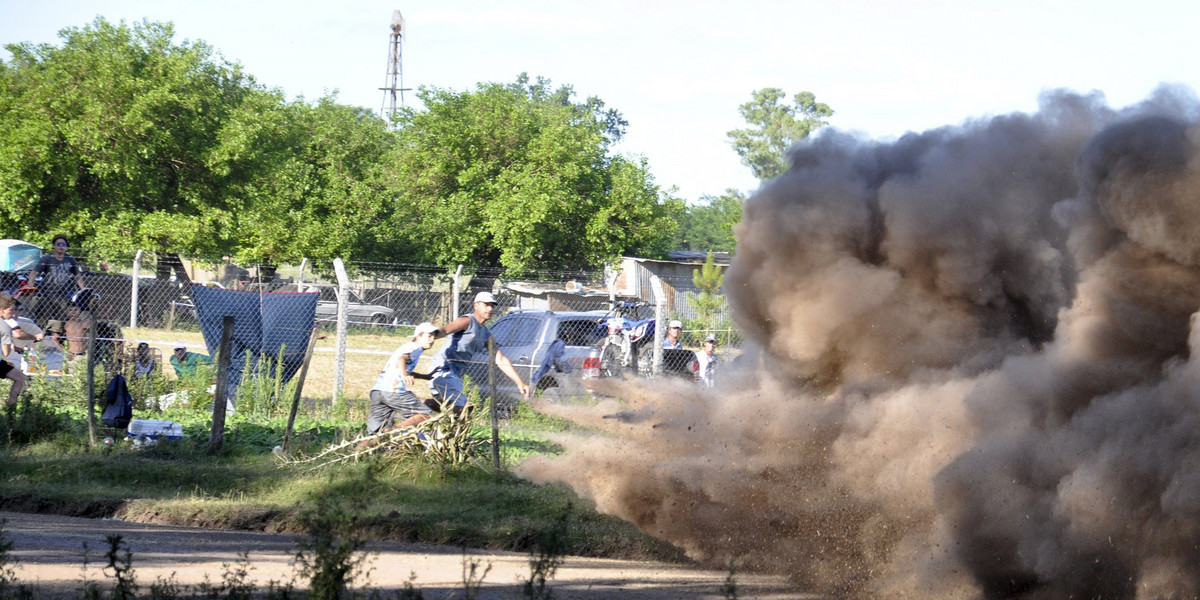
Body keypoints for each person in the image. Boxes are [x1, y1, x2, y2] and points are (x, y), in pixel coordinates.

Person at [427, 292, 528, 412]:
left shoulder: (485, 333)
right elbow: (444, 330)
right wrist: (428, 336)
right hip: (443, 369)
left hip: (456, 374)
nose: (490, 309)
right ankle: (418, 408)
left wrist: (520, 382)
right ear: (476, 306)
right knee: (463, 410)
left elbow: (500, 359)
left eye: (492, 305)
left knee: (449, 409)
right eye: (486, 305)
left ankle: (419, 408)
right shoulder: (467, 321)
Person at [366, 322, 439, 436]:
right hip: (394, 391)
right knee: (424, 415)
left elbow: (398, 368)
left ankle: (358, 450)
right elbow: (401, 360)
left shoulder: (406, 347)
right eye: (429, 336)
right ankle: (392, 431)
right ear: (418, 336)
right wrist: (405, 376)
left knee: (376, 434)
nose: (432, 339)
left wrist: (424, 377)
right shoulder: (416, 347)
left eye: (434, 336)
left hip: (378, 391)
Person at [32, 234, 85, 323]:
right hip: (47, 294)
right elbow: (34, 272)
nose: (61, 246)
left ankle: (59, 336)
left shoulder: (70, 259)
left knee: (63, 320)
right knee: (44, 319)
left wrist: (83, 289)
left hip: (63, 295)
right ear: (54, 246)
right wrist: (31, 283)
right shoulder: (47, 258)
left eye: (63, 244)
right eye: (58, 244)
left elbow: (77, 276)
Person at [0, 295, 32, 405]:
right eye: (11, 310)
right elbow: (6, 353)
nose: (14, 314)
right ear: (2, 310)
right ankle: (11, 407)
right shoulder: (4, 326)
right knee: (20, 378)